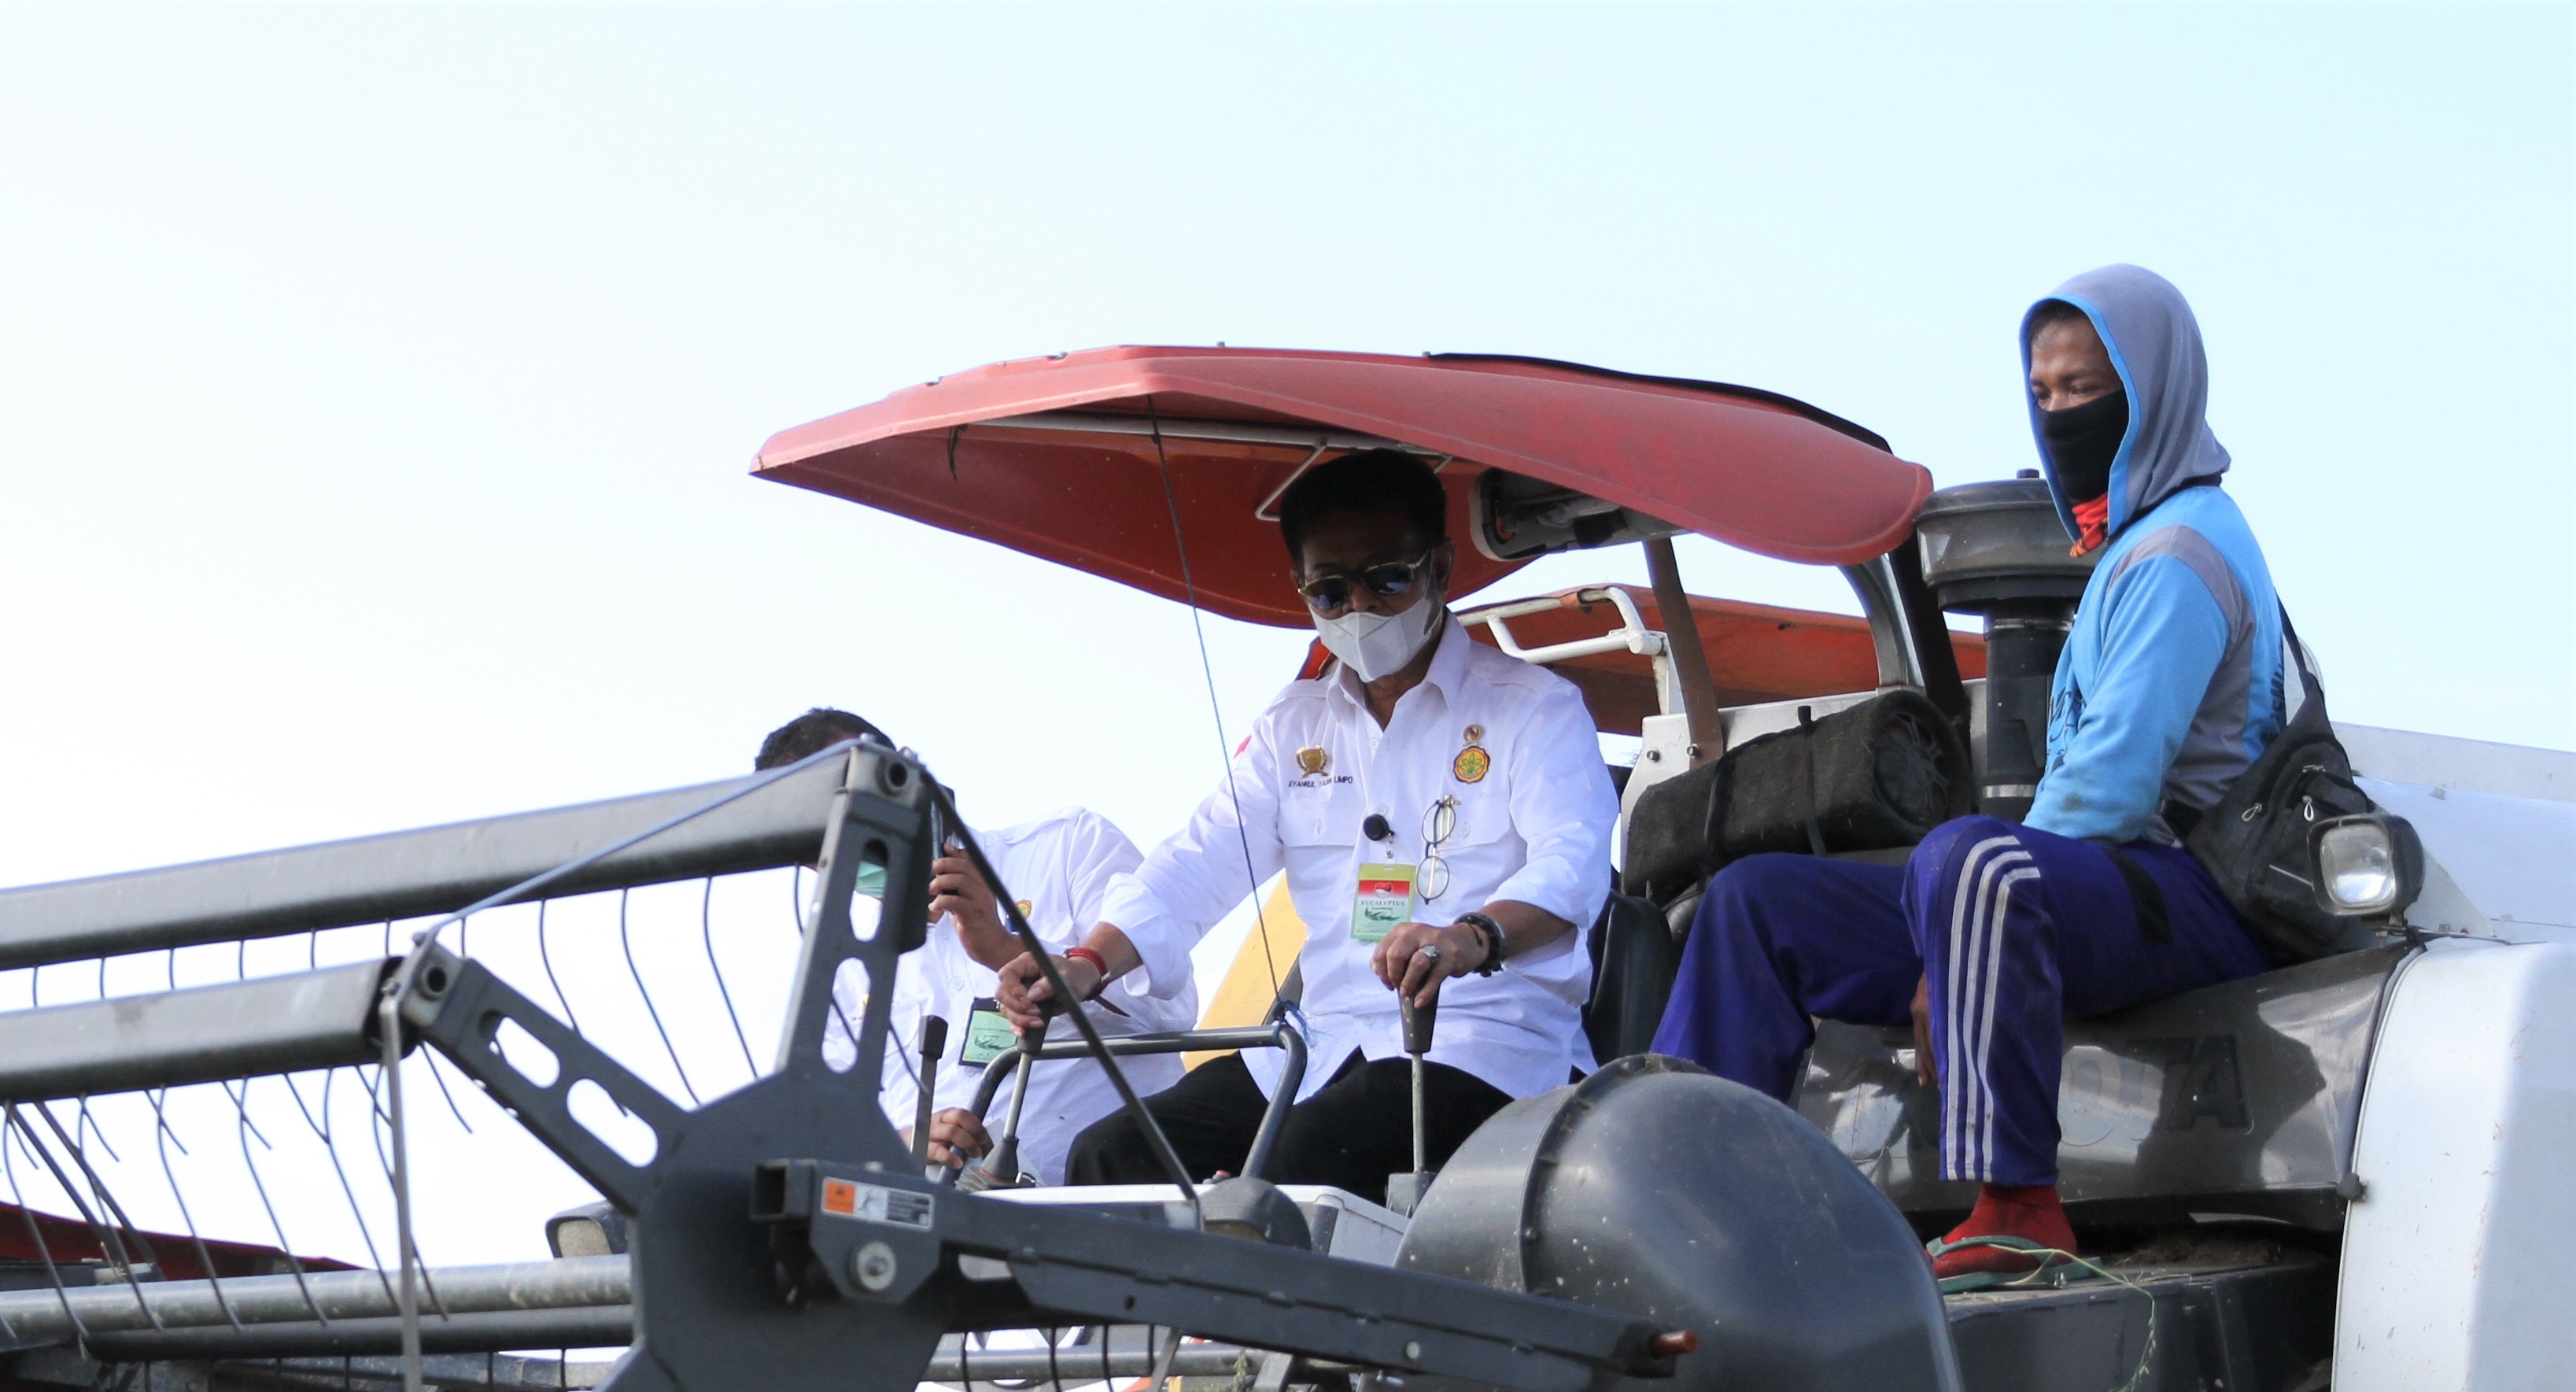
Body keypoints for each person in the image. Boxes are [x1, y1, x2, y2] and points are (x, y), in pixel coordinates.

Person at [1648, 267, 2279, 1280]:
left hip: (2189, 892)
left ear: (2154, 393)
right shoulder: (2120, 550)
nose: (2063, 413)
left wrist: (1956, 942)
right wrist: (1950, 934)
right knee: (1756, 901)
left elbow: (2112, 788)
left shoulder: (2179, 553)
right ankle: (1686, 1196)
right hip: (2094, 885)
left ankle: (2016, 1201)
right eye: (2045, 393)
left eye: (2087, 389)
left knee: (1972, 861)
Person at [995, 450, 1618, 1198]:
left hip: (1484, 1042)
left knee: (1303, 1160)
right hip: (1316, 1047)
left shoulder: (1533, 706)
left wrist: (1468, 936)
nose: (1359, 608)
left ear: (1441, 568)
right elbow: (1197, 860)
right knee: (1112, 1156)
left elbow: (1573, 863)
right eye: (1329, 590)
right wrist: (1086, 963)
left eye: (1387, 579)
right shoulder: (1292, 725)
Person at [755, 708, 1191, 1179]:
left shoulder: (1065, 846)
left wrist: (1004, 948)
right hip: (938, 1220)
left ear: (902, 778)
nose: (843, 849)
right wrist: (900, 1141)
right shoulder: (843, 967)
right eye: (816, 845)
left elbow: (1171, 1008)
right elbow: (816, 1118)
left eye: (851, 818)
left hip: (1114, 1194)